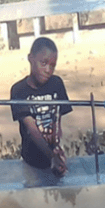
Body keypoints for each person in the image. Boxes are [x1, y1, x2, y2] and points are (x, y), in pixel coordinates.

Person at [10, 37, 72, 184]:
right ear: (30, 59)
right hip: (31, 162)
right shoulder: (19, 90)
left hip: (53, 157)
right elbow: (31, 129)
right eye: (43, 63)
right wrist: (51, 156)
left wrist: (57, 151)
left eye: (52, 65)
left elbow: (57, 121)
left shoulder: (57, 83)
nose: (48, 70)